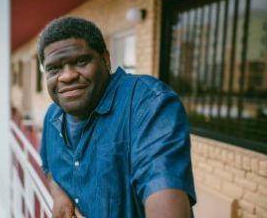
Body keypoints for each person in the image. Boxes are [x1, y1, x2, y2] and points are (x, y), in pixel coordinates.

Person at [38, 17, 196, 218]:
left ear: (105, 59)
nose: (67, 76)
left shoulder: (147, 104)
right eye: (54, 68)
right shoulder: (53, 116)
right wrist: (59, 194)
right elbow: (48, 166)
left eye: (81, 61)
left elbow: (162, 187)